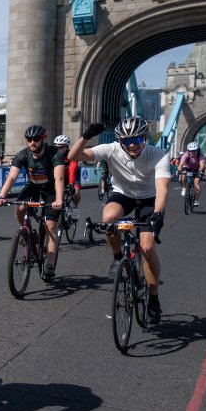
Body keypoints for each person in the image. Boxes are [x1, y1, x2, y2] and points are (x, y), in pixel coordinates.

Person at [68, 118, 171, 324]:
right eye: (126, 140)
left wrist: (158, 214)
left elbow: (162, 188)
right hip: (123, 194)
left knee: (147, 247)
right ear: (119, 141)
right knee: (108, 218)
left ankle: (153, 299)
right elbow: (73, 156)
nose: (132, 144)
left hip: (149, 198)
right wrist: (86, 136)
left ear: (144, 138)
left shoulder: (158, 154)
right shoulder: (111, 148)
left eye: (136, 139)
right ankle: (117, 258)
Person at [0, 125, 66, 281]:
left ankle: (50, 265)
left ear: (42, 139)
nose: (32, 142)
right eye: (29, 140)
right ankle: (29, 233)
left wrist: (59, 199)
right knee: (19, 207)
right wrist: (1, 196)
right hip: (33, 186)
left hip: (51, 190)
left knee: (51, 225)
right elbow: (11, 178)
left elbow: (59, 178)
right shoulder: (23, 155)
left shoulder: (55, 154)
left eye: (36, 139)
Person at [53, 134, 81, 220]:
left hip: (73, 175)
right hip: (61, 176)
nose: (59, 149)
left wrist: (71, 184)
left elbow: (72, 170)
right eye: (57, 147)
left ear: (67, 147)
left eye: (62, 147)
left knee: (75, 192)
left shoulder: (71, 155)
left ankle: (75, 208)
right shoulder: (54, 155)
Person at [177, 142, 205, 206]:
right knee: (184, 176)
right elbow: (181, 164)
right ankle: (184, 188)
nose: (193, 152)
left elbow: (202, 164)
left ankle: (197, 200)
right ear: (189, 151)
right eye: (191, 151)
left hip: (198, 169)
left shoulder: (200, 155)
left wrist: (200, 171)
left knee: (197, 182)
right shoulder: (186, 154)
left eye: (195, 150)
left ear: (197, 150)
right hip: (188, 167)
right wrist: (178, 171)